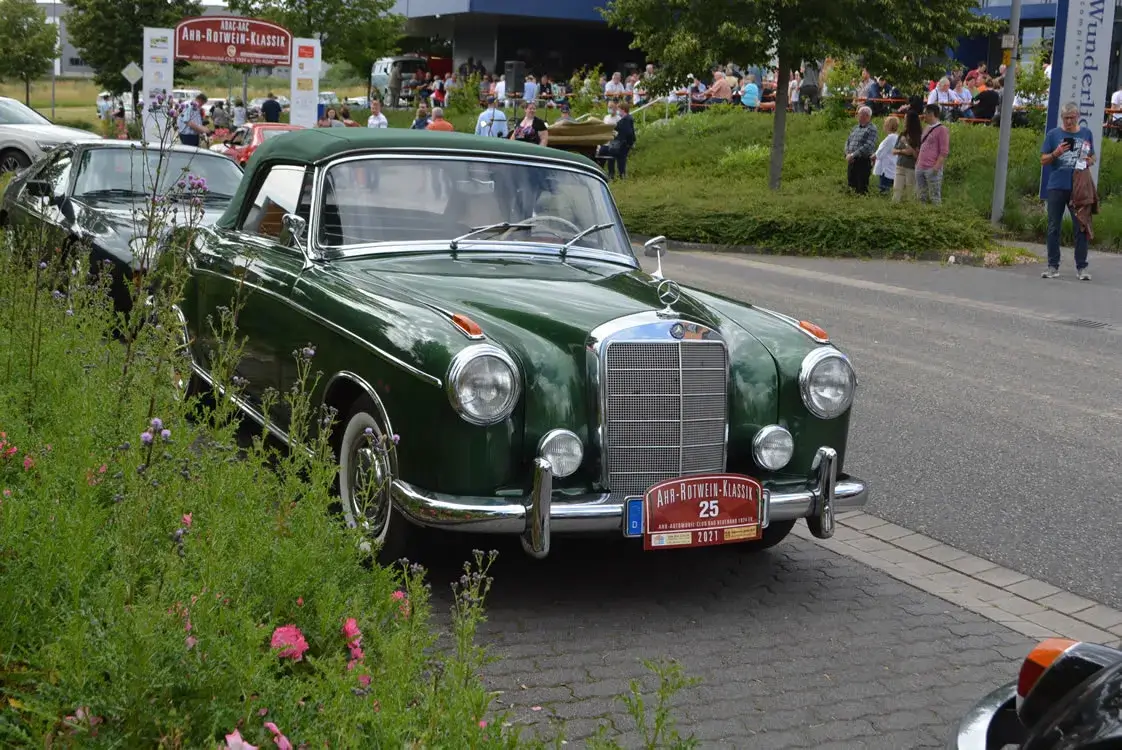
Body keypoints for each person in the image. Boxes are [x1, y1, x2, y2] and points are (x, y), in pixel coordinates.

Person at [1039, 101, 1096, 280]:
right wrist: (1055, 153)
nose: (1069, 121)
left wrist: (1089, 160)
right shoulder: (1053, 134)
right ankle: (1052, 266)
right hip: (1057, 186)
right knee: (1053, 227)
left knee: (1081, 227)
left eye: (1072, 118)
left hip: (1078, 187)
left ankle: (1082, 267)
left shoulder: (1086, 133)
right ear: (1061, 118)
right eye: (1065, 118)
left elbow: (1092, 156)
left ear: (1078, 117)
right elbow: (1043, 160)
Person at [916, 104, 949, 204]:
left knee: (935, 197)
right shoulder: (926, 128)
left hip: (931, 167)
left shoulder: (942, 129)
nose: (923, 116)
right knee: (921, 196)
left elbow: (944, 151)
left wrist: (935, 168)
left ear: (931, 114)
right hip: (920, 167)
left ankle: (936, 213)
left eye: (925, 113)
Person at [891, 105, 922, 202]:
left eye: (905, 119)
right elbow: (893, 151)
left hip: (911, 168)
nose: (904, 122)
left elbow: (916, 155)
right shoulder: (902, 134)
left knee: (910, 193)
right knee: (896, 193)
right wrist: (902, 151)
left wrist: (906, 144)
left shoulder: (919, 137)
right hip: (900, 166)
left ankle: (910, 208)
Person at [843, 106, 878, 194]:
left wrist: (853, 155)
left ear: (866, 116)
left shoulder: (872, 128)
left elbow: (868, 145)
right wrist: (847, 154)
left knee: (861, 187)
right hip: (851, 161)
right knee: (851, 185)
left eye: (859, 114)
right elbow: (848, 141)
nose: (857, 116)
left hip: (863, 161)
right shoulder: (855, 128)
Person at [605, 101, 635, 179]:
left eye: (618, 109)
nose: (617, 111)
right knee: (619, 160)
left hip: (623, 143)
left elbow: (628, 132)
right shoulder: (626, 118)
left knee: (620, 160)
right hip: (623, 143)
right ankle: (619, 175)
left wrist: (628, 143)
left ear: (623, 110)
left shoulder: (625, 120)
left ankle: (621, 176)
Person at [872, 116, 899, 194]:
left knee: (884, 191)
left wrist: (873, 156)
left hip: (886, 169)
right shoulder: (897, 137)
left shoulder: (890, 138)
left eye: (885, 124)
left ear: (888, 126)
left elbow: (880, 153)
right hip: (893, 166)